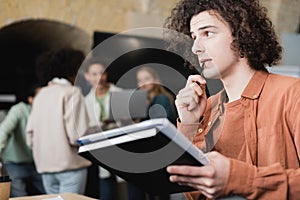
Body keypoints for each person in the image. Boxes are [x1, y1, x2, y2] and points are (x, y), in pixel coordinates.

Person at [164, 0, 300, 199]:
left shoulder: (291, 94)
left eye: (207, 33)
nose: (195, 48)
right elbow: (194, 194)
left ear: (241, 34)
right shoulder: (206, 108)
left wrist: (239, 179)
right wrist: (189, 125)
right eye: (193, 37)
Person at [26, 48, 91, 195]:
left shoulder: (41, 95)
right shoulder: (72, 93)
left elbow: (30, 137)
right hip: (70, 166)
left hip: (45, 166)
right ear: (72, 71)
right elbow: (77, 136)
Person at [84, 58, 121, 200]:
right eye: (94, 74)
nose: (99, 77)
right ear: (87, 77)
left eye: (102, 73)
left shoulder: (120, 93)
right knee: (105, 185)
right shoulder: (85, 100)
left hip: (120, 144)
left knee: (125, 185)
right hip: (100, 147)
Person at [0, 85, 45, 197]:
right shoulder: (19, 109)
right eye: (41, 96)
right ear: (30, 99)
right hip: (14, 162)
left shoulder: (46, 113)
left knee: (49, 193)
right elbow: (4, 130)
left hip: (37, 163)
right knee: (20, 196)